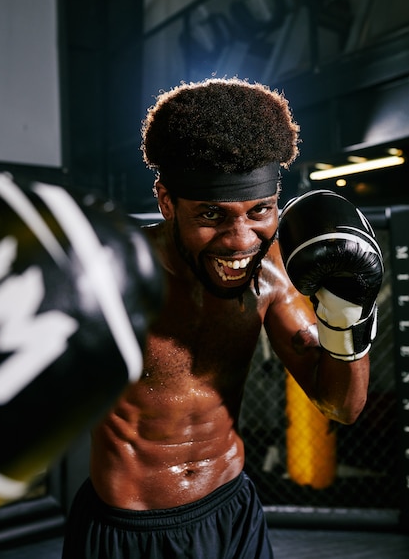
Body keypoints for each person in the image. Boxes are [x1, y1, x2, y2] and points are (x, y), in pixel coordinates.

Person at [62, 77, 383, 558]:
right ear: (167, 201)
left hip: (232, 515)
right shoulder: (109, 278)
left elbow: (342, 405)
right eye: (212, 214)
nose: (240, 240)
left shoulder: (272, 272)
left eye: (260, 211)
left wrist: (348, 314)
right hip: (129, 531)